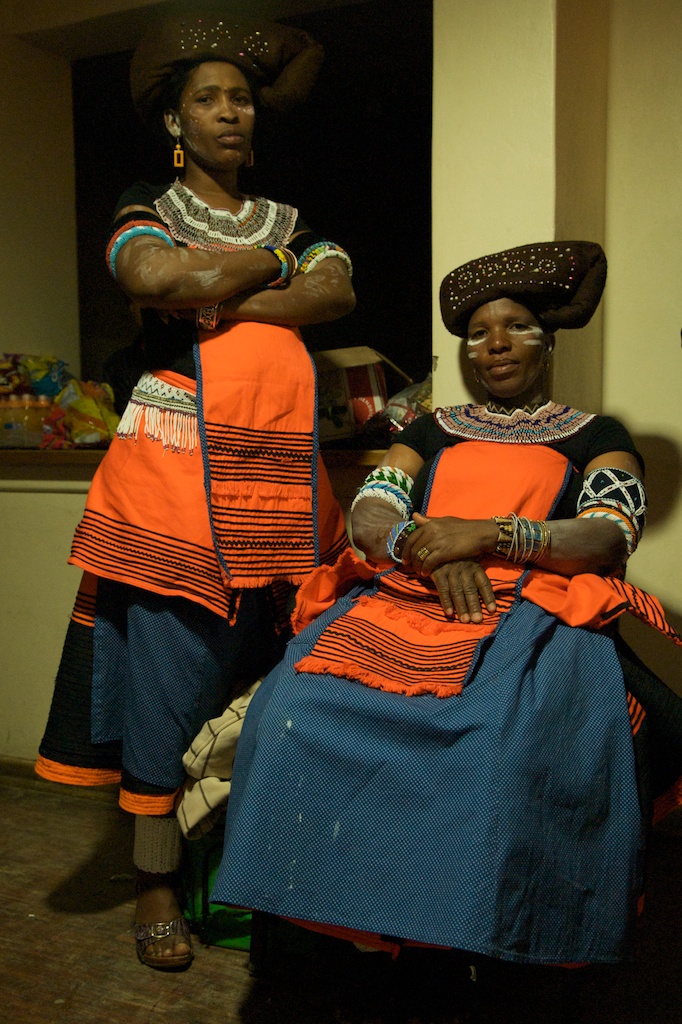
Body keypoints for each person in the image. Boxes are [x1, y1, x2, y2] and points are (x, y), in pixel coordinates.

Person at [211, 241, 682, 1015]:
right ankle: (342, 931)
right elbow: (372, 511)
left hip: (530, 609)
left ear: (549, 341)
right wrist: (419, 548)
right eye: (478, 334)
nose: (494, 345)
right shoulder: (431, 428)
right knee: (292, 711)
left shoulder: (595, 435)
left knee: (501, 741)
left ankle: (474, 935)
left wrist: (486, 535)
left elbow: (605, 537)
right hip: (409, 591)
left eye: (517, 328)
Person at [35, 10, 355, 971]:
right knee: (168, 691)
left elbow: (335, 292)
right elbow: (150, 271)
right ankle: (156, 883)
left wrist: (210, 283)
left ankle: (252, 865)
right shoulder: (150, 202)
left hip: (281, 479)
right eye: (208, 99)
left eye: (242, 99)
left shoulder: (297, 221)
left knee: (272, 681)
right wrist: (267, 266)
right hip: (173, 478)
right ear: (176, 122)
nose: (230, 113)